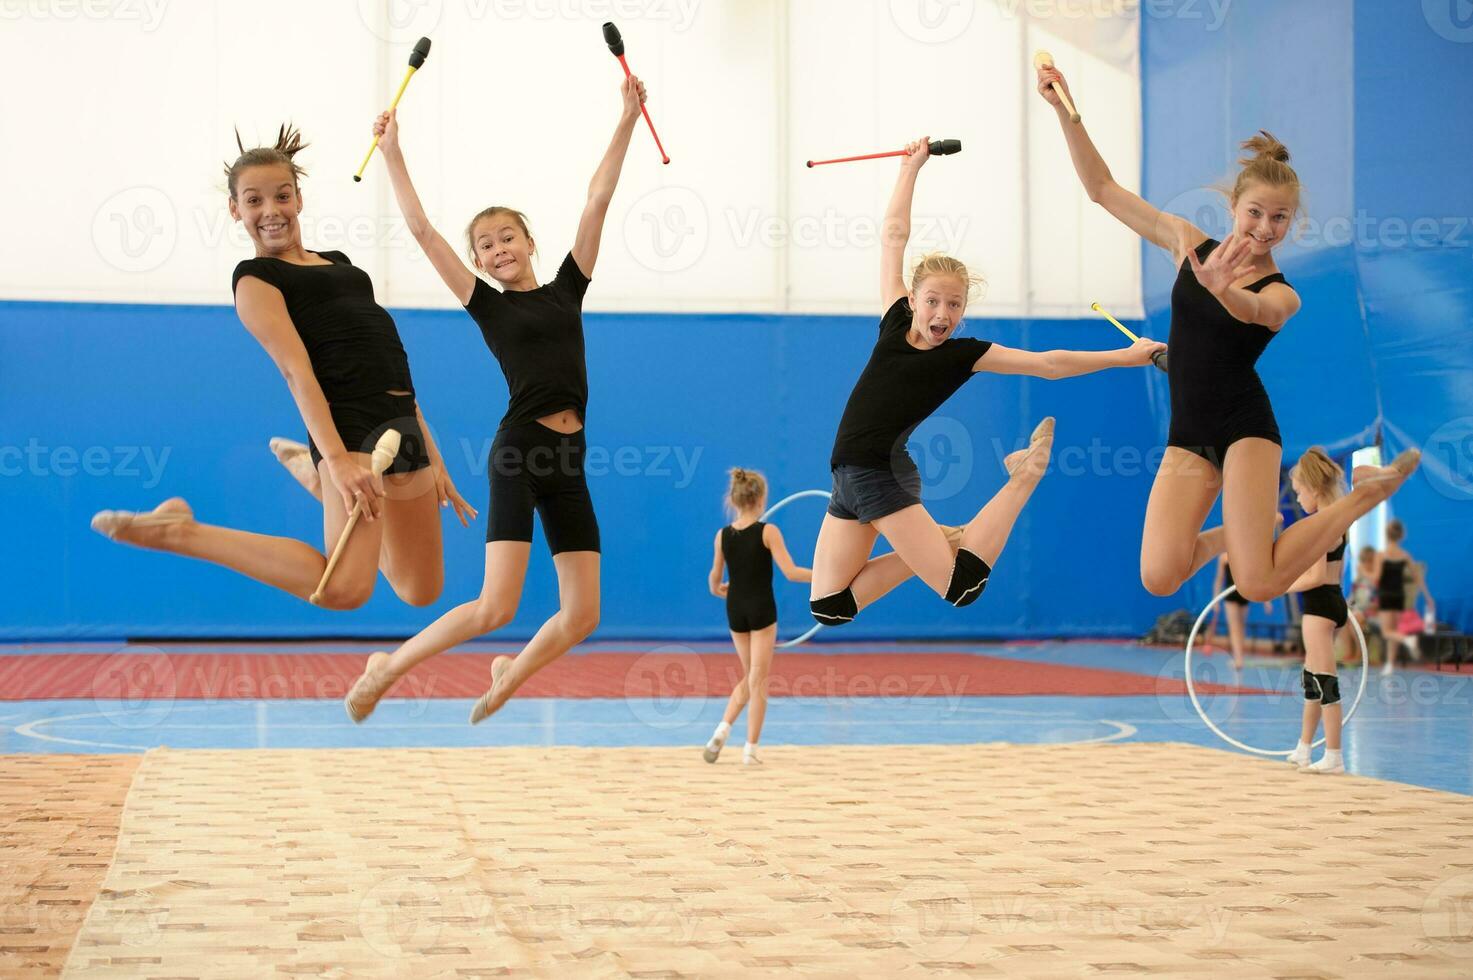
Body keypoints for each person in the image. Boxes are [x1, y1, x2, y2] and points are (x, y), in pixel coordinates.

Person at [1036, 61, 1420, 607]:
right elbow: (1101, 189)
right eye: (1255, 213)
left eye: (1280, 219)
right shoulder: (1190, 244)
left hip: (1245, 427)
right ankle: (1239, 537)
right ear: (1232, 208)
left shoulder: (1284, 293)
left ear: (1293, 222)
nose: (1265, 228)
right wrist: (1062, 109)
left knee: (1259, 582)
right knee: (1159, 575)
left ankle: (1359, 500)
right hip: (1189, 430)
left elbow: (1255, 311)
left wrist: (1220, 290)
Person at [343, 78, 649, 724]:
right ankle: (386, 668)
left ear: (529, 242)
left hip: (569, 456)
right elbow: (424, 233)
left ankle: (511, 671)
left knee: (582, 613)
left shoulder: (568, 288)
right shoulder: (489, 306)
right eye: (485, 245)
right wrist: (393, 152)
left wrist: (626, 116)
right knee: (495, 607)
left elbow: (597, 200)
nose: (498, 248)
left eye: (507, 236)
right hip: (520, 451)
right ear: (480, 263)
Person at [92, 125, 473, 609]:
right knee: (344, 590)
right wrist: (334, 461)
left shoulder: (342, 264)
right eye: (253, 201)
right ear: (235, 210)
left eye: (282, 196)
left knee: (420, 590)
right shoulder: (255, 280)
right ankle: (181, 530)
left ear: (298, 198)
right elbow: (298, 373)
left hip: (402, 423)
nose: (270, 211)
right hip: (349, 427)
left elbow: (391, 367)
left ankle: (315, 481)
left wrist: (435, 457)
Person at [808, 138, 1166, 630]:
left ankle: (1024, 476)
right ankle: (948, 540)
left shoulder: (964, 355)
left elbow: (1049, 364)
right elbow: (894, 237)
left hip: (881, 475)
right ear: (913, 299)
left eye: (954, 305)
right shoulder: (894, 320)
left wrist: (1127, 357)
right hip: (847, 476)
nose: (943, 313)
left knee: (962, 588)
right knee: (830, 607)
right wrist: (911, 168)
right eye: (933, 300)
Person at [703, 469, 812, 766]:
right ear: (761, 499)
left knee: (750, 675)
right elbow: (791, 572)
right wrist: (823, 578)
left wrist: (720, 589)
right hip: (762, 609)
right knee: (758, 680)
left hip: (735, 609)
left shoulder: (723, 535)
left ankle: (721, 731)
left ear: (734, 499)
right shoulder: (768, 532)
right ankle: (750, 749)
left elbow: (714, 580)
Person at [1283, 449, 1350, 774]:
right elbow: (1334, 571)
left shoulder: (1321, 524)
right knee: (1312, 681)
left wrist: (1279, 585)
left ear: (1313, 488)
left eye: (1298, 491)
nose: (1297, 497)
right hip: (1332, 602)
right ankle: (1304, 747)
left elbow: (1317, 576)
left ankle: (1335, 755)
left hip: (1320, 608)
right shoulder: (1338, 519)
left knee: (1325, 682)